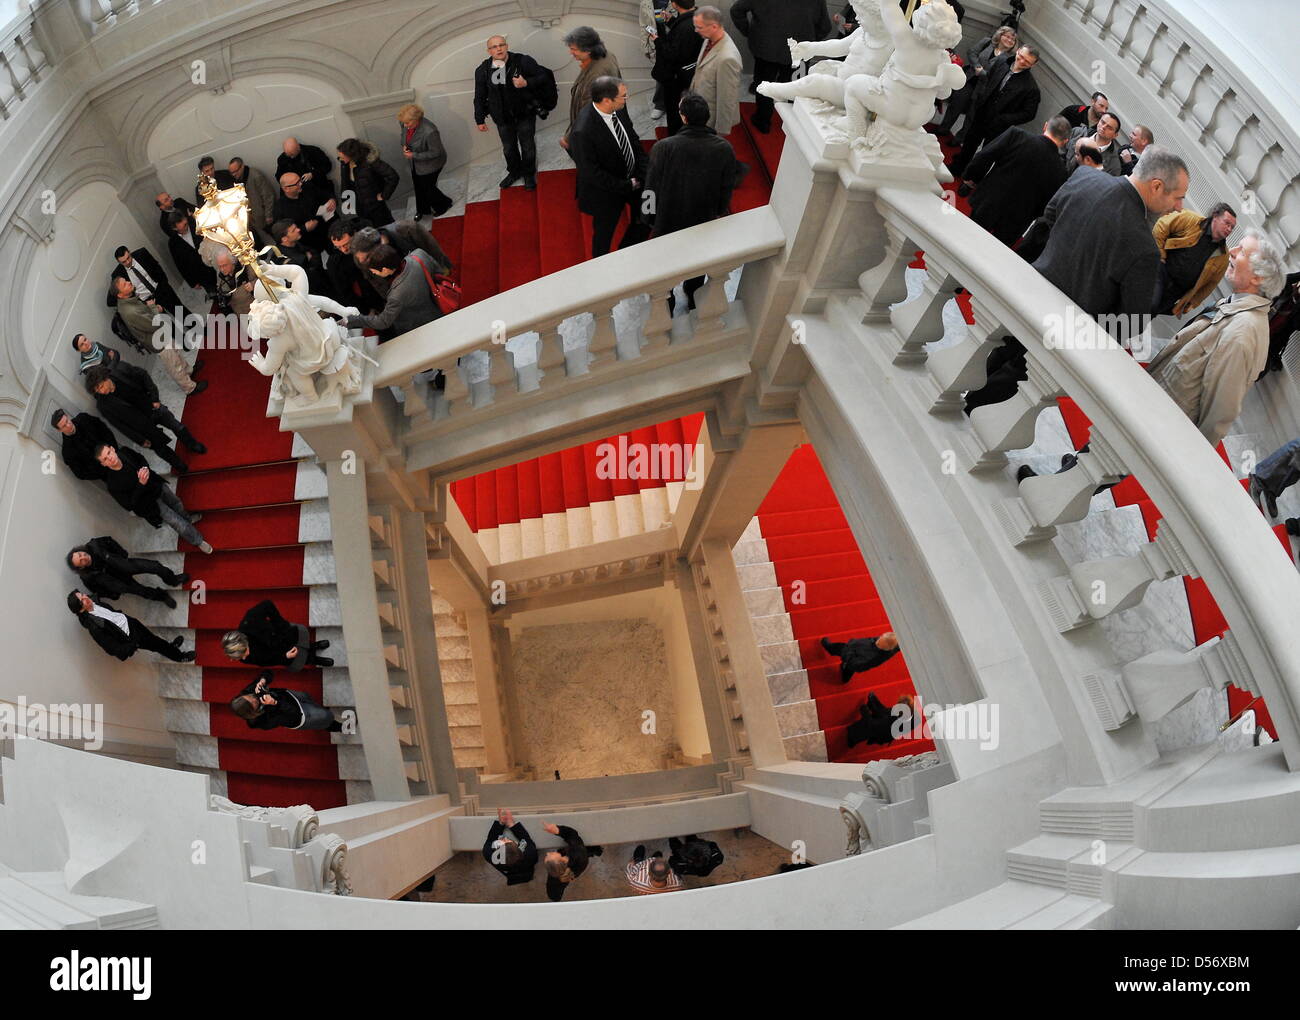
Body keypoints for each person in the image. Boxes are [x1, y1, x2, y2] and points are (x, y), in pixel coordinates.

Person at [965, 148, 1188, 415]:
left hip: (1029, 295)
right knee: (1013, 381)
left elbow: (1048, 218)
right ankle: (971, 413)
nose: (1179, 207)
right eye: (1178, 198)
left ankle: (964, 396)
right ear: (1156, 186)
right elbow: (1131, 321)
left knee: (1001, 351)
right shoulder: (1144, 249)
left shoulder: (1084, 176)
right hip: (1063, 337)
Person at [1147, 230, 1284, 448]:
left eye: (1242, 252)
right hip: (1152, 408)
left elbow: (1220, 411)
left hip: (1161, 429)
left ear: (1258, 277)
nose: (1232, 251)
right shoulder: (1234, 305)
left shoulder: (1243, 332)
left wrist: (1192, 453)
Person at [645, 91, 747, 312]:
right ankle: (693, 298)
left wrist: (648, 217)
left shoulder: (664, 147)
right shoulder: (724, 148)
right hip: (704, 220)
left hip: (667, 222)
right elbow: (726, 188)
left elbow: (650, 188)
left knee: (666, 270)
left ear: (683, 117)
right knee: (698, 264)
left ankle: (668, 302)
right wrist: (719, 212)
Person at [570, 76, 651, 259]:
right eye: (623, 96)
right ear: (607, 100)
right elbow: (591, 173)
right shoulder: (582, 131)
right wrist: (626, 185)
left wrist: (643, 171)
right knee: (603, 236)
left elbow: (633, 140)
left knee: (648, 212)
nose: (627, 98)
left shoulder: (619, 109)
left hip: (636, 180)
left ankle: (628, 252)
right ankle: (602, 266)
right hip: (606, 194)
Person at [959, 115, 1070, 247]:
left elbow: (984, 156)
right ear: (1065, 141)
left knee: (965, 241)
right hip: (1016, 222)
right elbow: (1046, 205)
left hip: (989, 202)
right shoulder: (1061, 171)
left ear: (1045, 126)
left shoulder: (1017, 135)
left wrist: (972, 178)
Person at [729, 0, 830, 135]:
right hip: (798, 51)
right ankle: (789, 124)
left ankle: (762, 121)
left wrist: (749, 32)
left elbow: (736, 10)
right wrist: (809, 42)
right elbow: (825, 27)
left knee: (764, 85)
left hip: (766, 48)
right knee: (794, 88)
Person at [86, 362, 206, 474]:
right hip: (142, 427)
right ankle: (179, 465)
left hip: (152, 407)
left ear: (106, 377)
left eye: (101, 386)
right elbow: (120, 425)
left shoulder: (120, 369)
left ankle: (191, 444)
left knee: (176, 425)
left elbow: (143, 375)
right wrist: (140, 439)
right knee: (161, 449)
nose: (101, 392)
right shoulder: (103, 405)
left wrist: (155, 398)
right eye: (97, 390)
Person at [94, 442, 212, 553]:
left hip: (157, 485)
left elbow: (141, 459)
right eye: (105, 459)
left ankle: (188, 519)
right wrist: (141, 484)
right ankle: (198, 541)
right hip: (149, 504)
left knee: (177, 503)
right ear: (103, 464)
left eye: (108, 453)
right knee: (176, 522)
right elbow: (129, 505)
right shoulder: (112, 485)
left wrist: (145, 468)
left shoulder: (125, 452)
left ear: (112, 449)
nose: (110, 458)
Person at [950, 44, 1041, 177]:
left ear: (1033, 64)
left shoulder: (1031, 88)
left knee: (987, 154)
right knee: (969, 143)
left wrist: (1005, 119)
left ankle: (972, 179)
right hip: (982, 113)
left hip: (999, 125)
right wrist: (980, 100)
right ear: (1018, 51)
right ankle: (958, 168)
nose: (1021, 62)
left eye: (1027, 62)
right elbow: (988, 80)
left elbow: (1029, 114)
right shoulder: (1001, 62)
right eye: (1021, 57)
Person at [107, 277, 206, 397]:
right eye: (125, 284)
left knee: (177, 354)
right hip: (157, 340)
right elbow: (152, 324)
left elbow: (146, 315)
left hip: (161, 333)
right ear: (120, 295)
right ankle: (190, 388)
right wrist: (154, 308)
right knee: (174, 366)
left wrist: (151, 308)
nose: (129, 282)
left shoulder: (128, 299)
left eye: (126, 281)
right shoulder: (129, 311)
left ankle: (189, 371)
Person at [473, 36, 550, 189]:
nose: (499, 49)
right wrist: (479, 119)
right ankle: (514, 172)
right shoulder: (483, 70)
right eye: (494, 47)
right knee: (509, 148)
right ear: (489, 51)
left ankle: (529, 174)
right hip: (502, 118)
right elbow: (480, 95)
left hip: (524, 114)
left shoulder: (522, 61)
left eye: (501, 45)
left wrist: (526, 82)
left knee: (527, 146)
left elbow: (544, 76)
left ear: (507, 46)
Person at [344, 243, 444, 342]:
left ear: (385, 270)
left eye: (373, 271)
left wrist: (354, 320)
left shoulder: (397, 294)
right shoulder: (418, 254)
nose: (373, 273)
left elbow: (383, 321)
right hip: (438, 309)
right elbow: (438, 271)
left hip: (419, 328)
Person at [1152, 202, 1237, 317]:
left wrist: (1193, 302)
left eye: (1232, 227)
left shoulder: (1223, 256)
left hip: (1176, 292)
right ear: (1215, 216)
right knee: (1147, 305)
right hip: (1160, 273)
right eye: (1227, 223)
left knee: (1148, 316)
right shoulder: (1191, 220)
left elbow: (1210, 284)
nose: (1229, 229)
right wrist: (1160, 256)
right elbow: (1161, 227)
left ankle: (1125, 331)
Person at [68, 589, 195, 663]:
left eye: (82, 594)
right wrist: (132, 645)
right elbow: (111, 648)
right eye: (82, 599)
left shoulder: (94, 601)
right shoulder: (94, 628)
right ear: (80, 609)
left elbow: (111, 614)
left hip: (131, 623)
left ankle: (170, 648)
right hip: (132, 636)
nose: (85, 596)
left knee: (155, 640)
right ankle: (180, 657)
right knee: (156, 644)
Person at [67, 535, 188, 608]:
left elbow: (109, 540)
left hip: (125, 565)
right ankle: (163, 596)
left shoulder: (94, 545)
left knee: (154, 566)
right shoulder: (87, 577)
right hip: (121, 583)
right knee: (143, 592)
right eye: (81, 561)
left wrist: (122, 555)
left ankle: (173, 580)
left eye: (80, 554)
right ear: (81, 568)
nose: (84, 557)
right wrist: (114, 593)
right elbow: (98, 591)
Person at [938, 24, 1017, 136]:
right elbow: (972, 52)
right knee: (955, 105)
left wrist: (983, 73)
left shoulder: (1009, 59)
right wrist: (976, 66)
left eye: (1013, 40)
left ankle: (959, 139)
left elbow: (1000, 75)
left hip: (984, 89)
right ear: (1000, 35)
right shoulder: (987, 42)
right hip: (969, 80)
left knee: (971, 116)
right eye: (1007, 36)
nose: (1009, 40)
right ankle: (942, 130)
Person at [222, 598, 333, 671]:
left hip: (281, 633)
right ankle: (315, 660)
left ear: (243, 641)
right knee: (302, 658)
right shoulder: (243, 657)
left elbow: (267, 605)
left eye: (244, 653)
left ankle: (314, 646)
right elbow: (265, 662)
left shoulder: (249, 621)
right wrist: (284, 656)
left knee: (301, 641)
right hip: (279, 653)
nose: (245, 658)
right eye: (242, 657)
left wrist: (282, 625)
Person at [560, 26, 622, 154]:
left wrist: (569, 137)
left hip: (595, 135)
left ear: (587, 50)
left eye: (573, 49)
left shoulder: (595, 76)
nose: (570, 53)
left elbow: (587, 112)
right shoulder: (606, 55)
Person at [689, 6, 743, 137]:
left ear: (714, 26)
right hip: (699, 110)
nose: (696, 30)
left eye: (699, 27)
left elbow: (727, 99)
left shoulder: (727, 58)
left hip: (710, 120)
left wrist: (720, 132)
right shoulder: (709, 39)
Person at [231, 672, 344, 732]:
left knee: (308, 698)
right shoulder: (261, 722)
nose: (255, 697)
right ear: (252, 711)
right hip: (298, 716)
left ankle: (320, 710)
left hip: (289, 695)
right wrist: (275, 703)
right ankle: (336, 727)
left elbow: (268, 673)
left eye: (251, 696)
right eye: (254, 702)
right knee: (325, 717)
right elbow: (294, 713)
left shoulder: (247, 694)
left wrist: (262, 680)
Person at [651, 1, 699, 137]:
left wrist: (657, 40)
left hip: (676, 77)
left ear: (674, 4)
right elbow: (685, 40)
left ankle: (675, 137)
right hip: (689, 72)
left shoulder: (684, 27)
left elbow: (672, 54)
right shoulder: (697, 17)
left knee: (673, 110)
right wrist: (672, 21)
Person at [397, 104, 452, 218]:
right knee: (418, 186)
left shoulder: (430, 131)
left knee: (428, 188)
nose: (405, 126)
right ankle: (423, 209)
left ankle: (444, 204)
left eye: (408, 123)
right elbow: (404, 137)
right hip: (415, 163)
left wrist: (413, 155)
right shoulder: (405, 123)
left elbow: (436, 152)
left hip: (431, 164)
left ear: (417, 119)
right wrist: (404, 145)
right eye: (404, 123)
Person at [110, 244, 185, 321]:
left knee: (181, 312)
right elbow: (111, 300)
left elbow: (157, 267)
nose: (128, 262)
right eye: (123, 262)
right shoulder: (118, 274)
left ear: (129, 252)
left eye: (128, 258)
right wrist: (141, 304)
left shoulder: (142, 254)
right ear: (119, 262)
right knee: (167, 326)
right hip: (148, 303)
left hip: (161, 289)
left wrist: (164, 285)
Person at [337, 138, 400, 229]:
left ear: (351, 155)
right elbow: (345, 183)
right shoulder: (344, 164)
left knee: (387, 231)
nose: (340, 159)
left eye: (342, 157)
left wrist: (384, 195)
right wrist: (347, 200)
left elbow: (393, 176)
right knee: (370, 234)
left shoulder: (370, 161)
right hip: (360, 208)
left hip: (376, 207)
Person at [541, 820, 600, 901]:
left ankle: (556, 899)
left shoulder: (555, 877)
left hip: (574, 870)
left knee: (554, 892)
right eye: (550, 856)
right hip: (581, 860)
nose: (548, 853)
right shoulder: (577, 853)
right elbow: (572, 835)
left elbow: (551, 889)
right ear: (562, 859)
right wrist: (558, 830)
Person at [52, 407, 117, 481]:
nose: (68, 425)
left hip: (116, 454)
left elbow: (105, 430)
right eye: (64, 426)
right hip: (108, 476)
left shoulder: (84, 418)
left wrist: (114, 450)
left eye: (67, 421)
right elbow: (81, 474)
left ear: (67, 417)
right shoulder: (67, 451)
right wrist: (103, 472)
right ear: (59, 430)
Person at [273, 172, 334, 251]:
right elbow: (282, 232)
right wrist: (304, 228)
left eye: (300, 180)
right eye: (297, 183)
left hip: (325, 230)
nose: (301, 184)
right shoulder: (280, 208)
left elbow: (325, 194)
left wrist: (332, 199)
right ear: (286, 188)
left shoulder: (308, 188)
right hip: (307, 242)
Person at [166, 210, 217, 294]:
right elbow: (180, 264)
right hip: (200, 273)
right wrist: (192, 282)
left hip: (214, 262)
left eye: (184, 220)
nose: (185, 223)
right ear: (175, 228)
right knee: (214, 292)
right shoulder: (173, 243)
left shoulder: (196, 224)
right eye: (181, 223)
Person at [482, 808, 538, 885]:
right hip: (526, 868)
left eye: (503, 841)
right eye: (507, 841)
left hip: (511, 872)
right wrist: (511, 824)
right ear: (520, 849)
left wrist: (501, 823)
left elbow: (490, 840)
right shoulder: (530, 855)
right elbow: (526, 840)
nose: (504, 838)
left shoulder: (489, 854)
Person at [820, 632, 900, 684]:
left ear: (884, 648)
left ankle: (828, 647)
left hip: (852, 655)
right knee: (848, 670)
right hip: (856, 652)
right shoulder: (893, 645)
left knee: (839, 650)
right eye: (880, 637)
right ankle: (845, 677)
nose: (877, 640)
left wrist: (848, 652)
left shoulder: (872, 657)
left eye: (879, 642)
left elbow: (856, 665)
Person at [227, 156, 277, 238]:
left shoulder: (255, 176)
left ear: (242, 166)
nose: (234, 174)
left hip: (265, 217)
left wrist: (269, 215)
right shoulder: (239, 180)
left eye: (236, 171)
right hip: (256, 219)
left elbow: (268, 196)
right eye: (232, 172)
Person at [1065, 111, 1123, 177]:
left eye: (1109, 127)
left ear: (1115, 135)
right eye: (1102, 122)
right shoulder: (1077, 132)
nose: (1103, 127)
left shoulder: (1114, 165)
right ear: (1098, 122)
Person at [846, 692, 915, 748]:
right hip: (887, 728)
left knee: (863, 729)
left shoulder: (889, 722)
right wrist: (874, 701)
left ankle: (852, 740)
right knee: (882, 714)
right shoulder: (913, 719)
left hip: (880, 731)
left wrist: (864, 710)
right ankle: (871, 704)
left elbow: (871, 723)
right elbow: (885, 712)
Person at [276, 136, 335, 201]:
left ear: (298, 147)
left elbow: (327, 166)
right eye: (288, 155)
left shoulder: (313, 151)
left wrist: (312, 174)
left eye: (292, 154)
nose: (291, 157)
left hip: (318, 188)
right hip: (298, 195)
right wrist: (289, 183)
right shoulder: (282, 159)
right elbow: (279, 176)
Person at [214, 251, 255, 315]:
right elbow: (221, 289)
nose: (222, 269)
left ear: (233, 262)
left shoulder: (245, 267)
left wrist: (253, 284)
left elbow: (264, 278)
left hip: (255, 307)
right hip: (239, 312)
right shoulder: (220, 275)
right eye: (220, 266)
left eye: (224, 265)